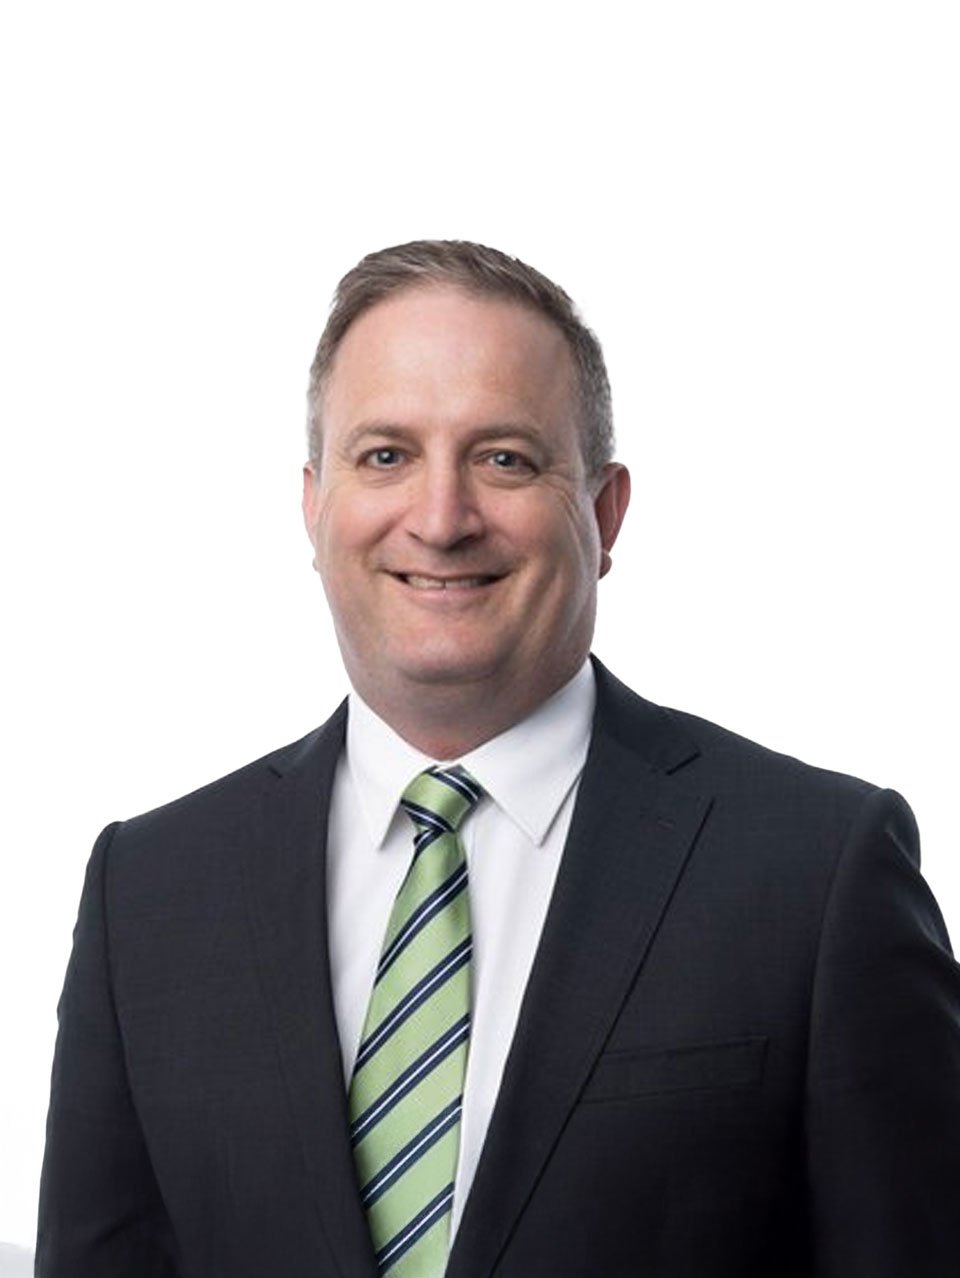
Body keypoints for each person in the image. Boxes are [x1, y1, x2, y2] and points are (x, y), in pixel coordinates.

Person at [37, 240, 960, 1277]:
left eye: (505, 459)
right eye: (386, 455)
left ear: (604, 516)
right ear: (313, 506)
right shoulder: (150, 892)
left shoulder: (816, 871)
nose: (440, 520)